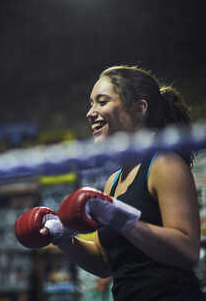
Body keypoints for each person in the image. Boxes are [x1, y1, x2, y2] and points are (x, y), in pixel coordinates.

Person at [15, 65, 205, 300]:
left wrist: (122, 219)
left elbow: (187, 251)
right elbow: (105, 262)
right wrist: (62, 238)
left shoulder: (164, 164)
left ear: (139, 108)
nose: (90, 112)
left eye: (102, 101)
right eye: (91, 103)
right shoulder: (113, 182)